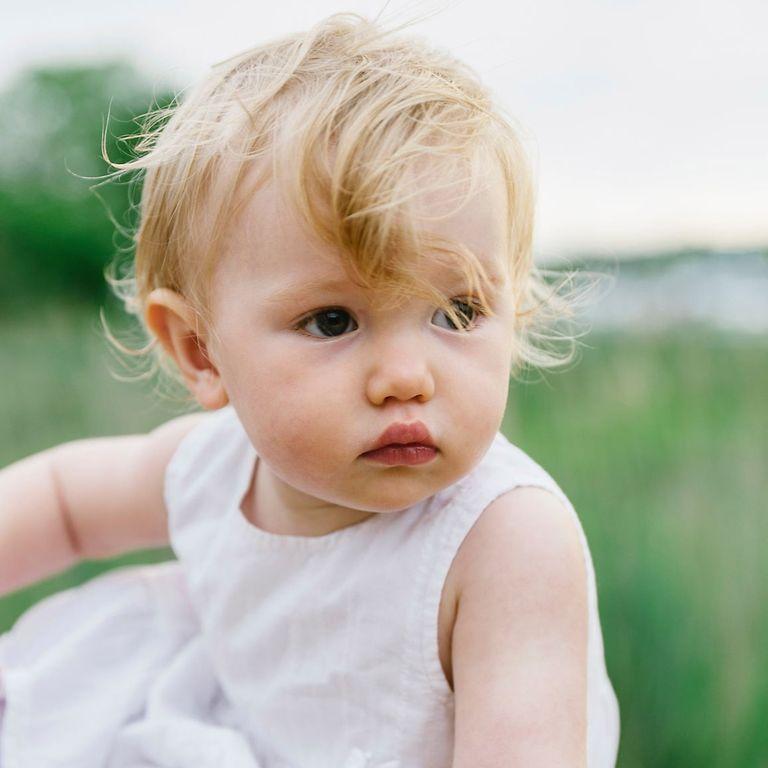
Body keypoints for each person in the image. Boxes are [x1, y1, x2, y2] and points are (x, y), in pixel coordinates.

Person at [0, 12, 619, 768]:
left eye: (456, 312)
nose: (405, 377)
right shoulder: (209, 471)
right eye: (333, 320)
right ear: (202, 351)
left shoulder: (504, 542)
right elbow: (65, 507)